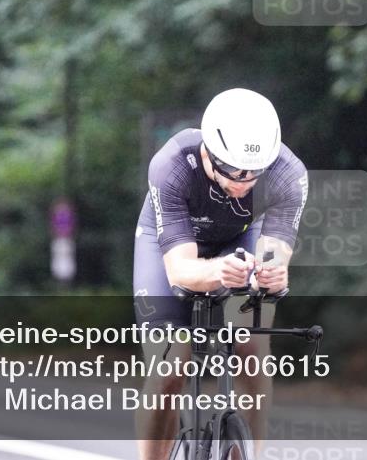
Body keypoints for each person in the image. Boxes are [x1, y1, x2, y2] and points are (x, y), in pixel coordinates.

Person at [133, 88, 309, 460]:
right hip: (171, 244)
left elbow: (273, 257)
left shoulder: (288, 174)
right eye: (232, 170)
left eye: (254, 172)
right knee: (169, 367)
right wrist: (217, 271)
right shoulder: (172, 165)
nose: (244, 182)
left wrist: (272, 276)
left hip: (240, 236)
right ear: (208, 153)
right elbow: (180, 271)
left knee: (252, 347)